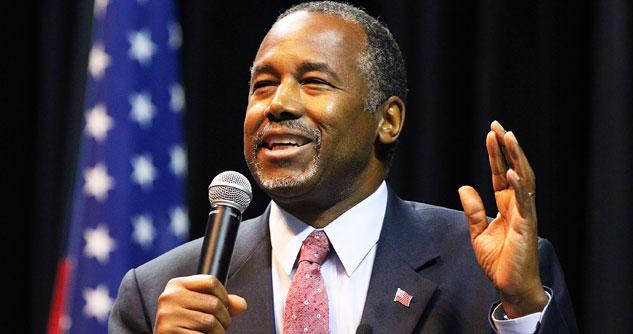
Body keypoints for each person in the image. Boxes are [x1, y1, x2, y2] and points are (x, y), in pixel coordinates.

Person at [109, 2, 577, 333]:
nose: (278, 104)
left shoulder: (484, 275)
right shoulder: (159, 293)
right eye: (263, 84)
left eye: (314, 82)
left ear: (388, 120)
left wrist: (522, 310)